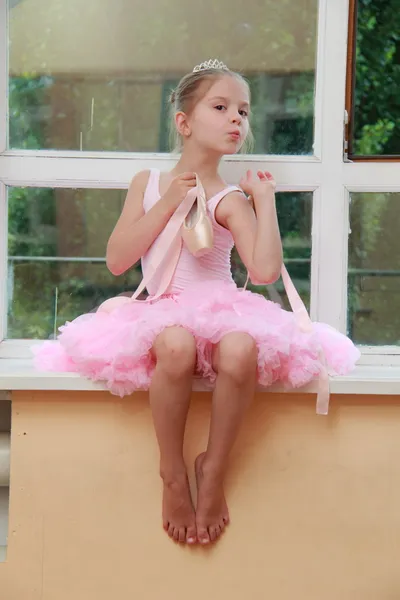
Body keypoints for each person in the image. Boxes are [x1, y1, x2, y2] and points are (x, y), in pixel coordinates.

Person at [34, 59, 360, 546]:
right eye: (222, 107)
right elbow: (119, 260)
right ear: (184, 122)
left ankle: (213, 467)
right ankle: (171, 471)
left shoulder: (229, 197)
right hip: (165, 307)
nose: (237, 120)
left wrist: (264, 201)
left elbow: (265, 271)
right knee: (175, 345)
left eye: (244, 112)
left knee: (241, 350)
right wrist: (168, 203)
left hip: (222, 308)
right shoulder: (146, 184)